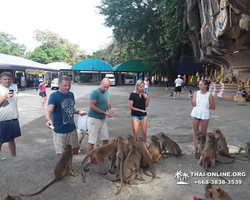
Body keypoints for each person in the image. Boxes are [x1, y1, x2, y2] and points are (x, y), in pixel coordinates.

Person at [45, 75, 86, 155]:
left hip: (71, 128)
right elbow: (49, 110)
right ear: (59, 84)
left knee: (74, 150)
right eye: (65, 85)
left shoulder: (71, 94)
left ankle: (69, 166)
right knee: (62, 154)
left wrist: (78, 112)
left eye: (69, 85)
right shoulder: (54, 96)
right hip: (60, 130)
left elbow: (71, 108)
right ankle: (63, 167)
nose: (67, 87)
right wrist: (49, 120)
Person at [87, 78, 113, 163]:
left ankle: (102, 155)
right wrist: (104, 113)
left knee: (105, 138)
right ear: (101, 83)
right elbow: (92, 106)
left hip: (102, 118)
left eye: (107, 87)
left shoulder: (106, 92)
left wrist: (109, 110)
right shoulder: (95, 92)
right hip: (94, 118)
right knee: (92, 141)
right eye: (104, 87)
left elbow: (107, 102)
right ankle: (90, 159)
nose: (105, 89)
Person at [189, 79, 215, 152]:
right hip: (195, 113)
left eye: (201, 85)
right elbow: (194, 104)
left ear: (206, 86)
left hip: (204, 115)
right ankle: (196, 148)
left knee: (203, 133)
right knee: (196, 132)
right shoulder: (196, 93)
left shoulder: (209, 95)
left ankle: (203, 148)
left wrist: (205, 107)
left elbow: (213, 107)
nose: (199, 86)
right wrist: (191, 98)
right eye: (199, 84)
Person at [0, 72, 21, 156]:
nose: (7, 81)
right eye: (5, 79)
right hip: (3, 119)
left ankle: (14, 156)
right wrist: (4, 97)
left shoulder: (12, 88)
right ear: (1, 79)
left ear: (12, 80)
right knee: (0, 141)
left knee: (12, 139)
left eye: (9, 79)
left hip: (13, 118)